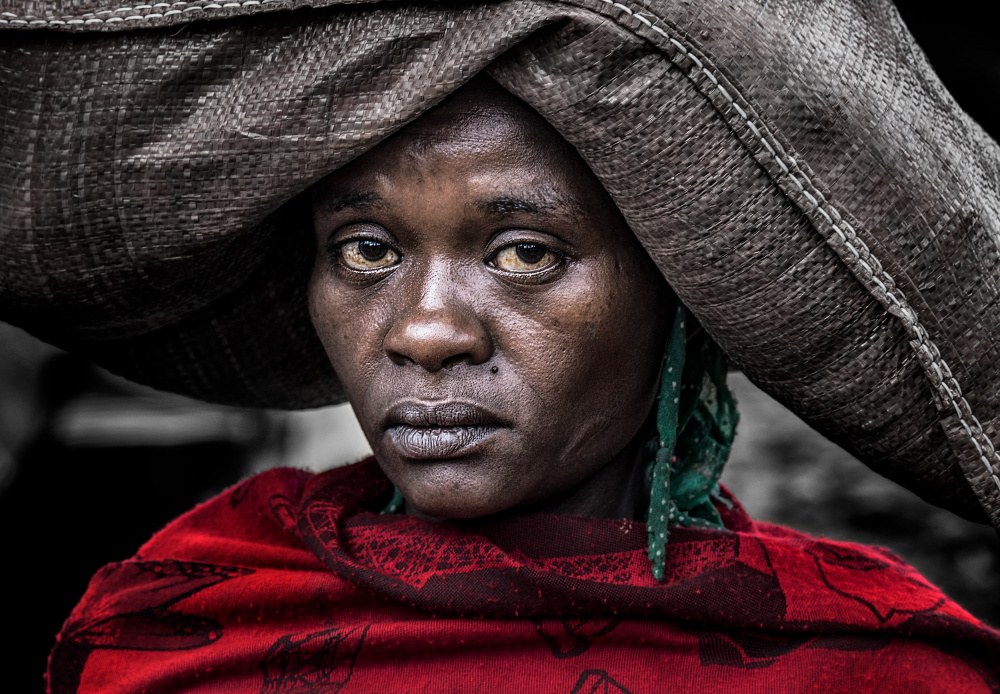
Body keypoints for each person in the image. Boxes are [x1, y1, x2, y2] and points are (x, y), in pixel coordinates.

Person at [2, 1, 999, 691]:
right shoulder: (176, 626)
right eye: (366, 249)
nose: (425, 330)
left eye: (525, 253)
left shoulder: (879, 670)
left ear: (678, 296)